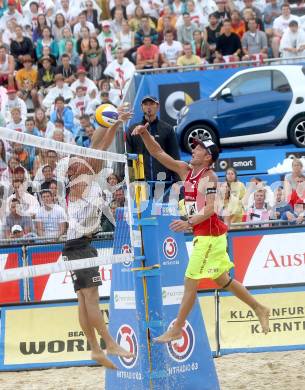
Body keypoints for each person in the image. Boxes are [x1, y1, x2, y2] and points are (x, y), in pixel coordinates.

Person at [130, 127, 270, 342]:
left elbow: (212, 208)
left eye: (200, 148)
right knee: (223, 280)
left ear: (208, 157)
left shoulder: (210, 176)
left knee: (190, 280)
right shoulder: (186, 171)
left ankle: (177, 327)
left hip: (210, 237)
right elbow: (158, 153)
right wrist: (145, 134)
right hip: (205, 235)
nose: (194, 149)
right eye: (195, 145)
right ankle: (259, 307)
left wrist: (188, 222)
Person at [62, 106, 134, 369]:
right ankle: (109, 343)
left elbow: (96, 146)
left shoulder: (84, 175)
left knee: (83, 299)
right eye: (74, 159)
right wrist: (116, 124)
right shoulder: (79, 177)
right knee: (91, 297)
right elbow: (98, 150)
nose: (78, 158)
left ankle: (95, 349)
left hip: (77, 245)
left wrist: (111, 119)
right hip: (78, 245)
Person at [126, 95, 180, 184]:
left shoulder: (167, 129)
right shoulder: (133, 130)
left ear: (157, 106)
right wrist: (131, 181)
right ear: (142, 107)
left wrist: (177, 181)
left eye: (151, 104)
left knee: (164, 197)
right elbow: (129, 159)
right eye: (145, 104)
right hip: (140, 183)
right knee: (142, 198)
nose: (148, 107)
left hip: (163, 181)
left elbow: (174, 156)